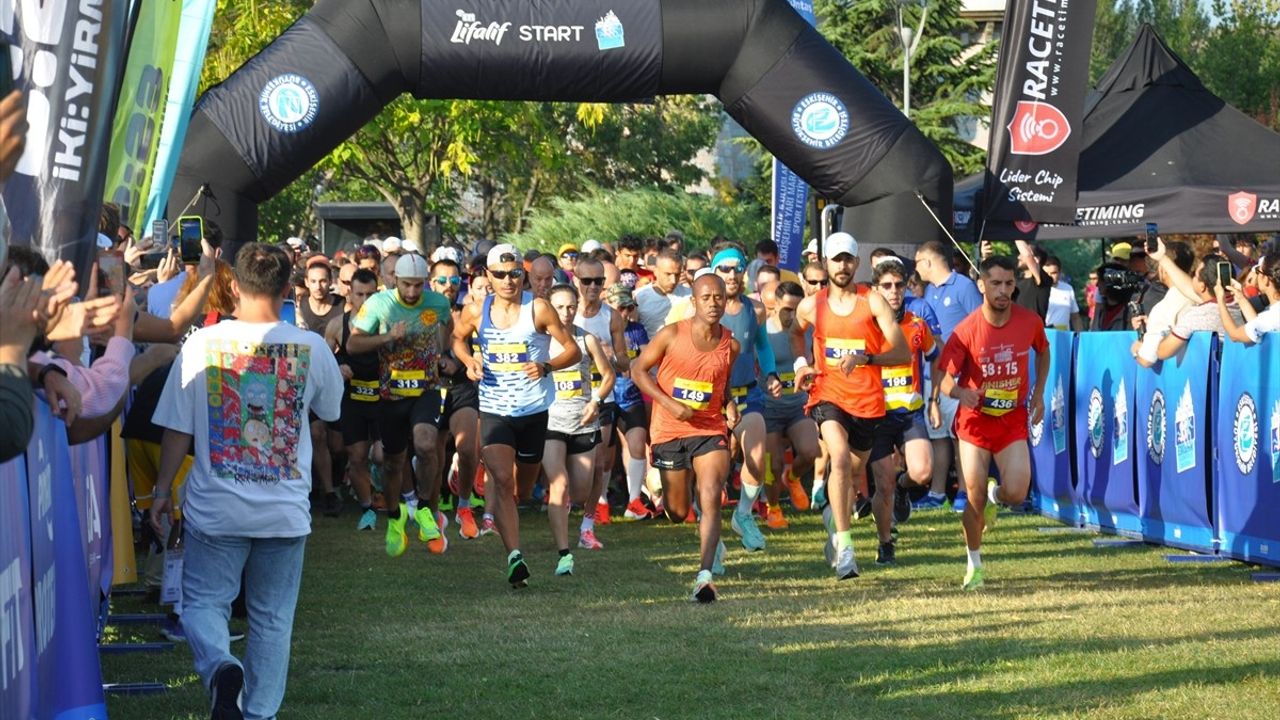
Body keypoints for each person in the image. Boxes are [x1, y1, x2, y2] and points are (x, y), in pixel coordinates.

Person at [149, 242, 343, 720]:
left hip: (215, 508)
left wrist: (160, 491)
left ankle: (221, 668)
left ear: (233, 285)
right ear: (287, 288)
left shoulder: (199, 343)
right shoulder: (312, 347)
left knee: (202, 605)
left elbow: (178, 426)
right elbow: (332, 411)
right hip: (283, 510)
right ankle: (258, 713)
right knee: (273, 620)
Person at [452, 244, 581, 587]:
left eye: (514, 274)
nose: (508, 281)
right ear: (487, 277)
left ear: (522, 276)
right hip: (494, 408)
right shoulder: (476, 310)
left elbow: (573, 350)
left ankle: (514, 516)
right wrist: (469, 362)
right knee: (503, 481)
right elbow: (457, 340)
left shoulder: (538, 308)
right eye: (500, 275)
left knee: (521, 488)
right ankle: (514, 557)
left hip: (533, 409)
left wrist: (546, 365)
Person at [793, 232, 907, 579]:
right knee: (838, 458)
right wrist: (801, 365)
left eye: (848, 259)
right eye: (836, 258)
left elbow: (902, 352)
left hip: (868, 402)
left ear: (857, 263)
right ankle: (846, 549)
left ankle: (833, 517)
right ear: (825, 262)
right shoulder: (812, 304)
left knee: (853, 475)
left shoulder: (872, 302)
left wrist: (866, 357)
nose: (842, 265)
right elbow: (796, 334)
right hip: (828, 395)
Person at [934, 255, 1048, 590]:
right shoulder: (966, 330)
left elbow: (1044, 352)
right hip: (975, 424)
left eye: (1009, 284)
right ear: (981, 285)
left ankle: (996, 498)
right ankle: (975, 564)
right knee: (972, 497)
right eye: (995, 283)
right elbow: (943, 377)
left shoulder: (1029, 322)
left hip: (1011, 420)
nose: (1003, 291)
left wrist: (1038, 395)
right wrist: (958, 392)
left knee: (1016, 492)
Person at [631, 272, 740, 602]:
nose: (712, 303)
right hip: (669, 429)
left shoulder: (730, 344)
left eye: (718, 297)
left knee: (710, 493)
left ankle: (704, 577)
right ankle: (659, 483)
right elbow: (638, 370)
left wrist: (730, 403)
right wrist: (668, 403)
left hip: (709, 429)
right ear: (693, 301)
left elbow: (720, 385)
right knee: (678, 512)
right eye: (705, 298)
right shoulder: (671, 335)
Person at [348, 253, 454, 556]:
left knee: (426, 444)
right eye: (406, 285)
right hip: (391, 394)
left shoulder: (438, 303)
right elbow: (354, 344)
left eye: (418, 286)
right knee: (394, 462)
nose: (411, 292)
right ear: (395, 280)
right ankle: (396, 517)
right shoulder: (380, 304)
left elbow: (445, 333)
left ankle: (422, 507)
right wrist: (386, 337)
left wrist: (442, 353)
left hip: (426, 389)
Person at [866, 260, 938, 564]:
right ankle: (885, 543)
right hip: (876, 416)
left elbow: (936, 355)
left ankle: (903, 491)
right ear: (875, 289)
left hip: (911, 414)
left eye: (899, 285)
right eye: (887, 286)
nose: (894, 292)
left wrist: (934, 397)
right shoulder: (866, 326)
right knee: (883, 484)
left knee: (923, 472)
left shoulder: (917, 324)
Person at [542, 284, 615, 575]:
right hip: (549, 422)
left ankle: (581, 521)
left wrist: (595, 401)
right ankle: (564, 554)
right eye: (559, 307)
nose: (566, 312)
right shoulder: (539, 340)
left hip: (583, 420)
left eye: (571, 306)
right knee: (558, 485)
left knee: (582, 490)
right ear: (548, 308)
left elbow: (608, 375)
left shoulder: (587, 340)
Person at [913, 240, 981, 511]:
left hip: (959, 377)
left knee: (959, 437)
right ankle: (938, 493)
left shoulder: (964, 286)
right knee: (939, 436)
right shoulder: (929, 291)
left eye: (918, 262)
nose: (916, 268)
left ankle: (965, 492)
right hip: (935, 378)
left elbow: (980, 326)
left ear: (929, 262)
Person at [573, 256, 631, 535]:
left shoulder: (612, 316)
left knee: (598, 463)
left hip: (602, 395)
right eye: (587, 281)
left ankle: (588, 523)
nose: (593, 286)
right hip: (566, 395)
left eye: (599, 281)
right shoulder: (565, 312)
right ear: (576, 281)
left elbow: (625, 362)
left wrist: (613, 356)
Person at [324, 268, 383, 531]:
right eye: (360, 294)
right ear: (350, 293)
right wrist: (337, 366)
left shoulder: (388, 324)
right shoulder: (338, 325)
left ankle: (400, 500)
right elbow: (323, 362)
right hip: (354, 399)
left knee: (383, 456)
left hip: (383, 399)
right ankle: (367, 508)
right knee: (356, 456)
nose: (365, 300)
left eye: (371, 294)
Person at [429, 257, 482, 540]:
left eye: (454, 280)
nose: (449, 286)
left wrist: (460, 364)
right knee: (434, 453)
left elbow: (479, 350)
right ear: (431, 283)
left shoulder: (467, 313)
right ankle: (436, 511)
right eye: (442, 280)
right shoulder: (422, 313)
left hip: (462, 387)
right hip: (433, 388)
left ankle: (463, 506)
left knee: (468, 449)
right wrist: (437, 363)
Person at [761, 282, 817, 529]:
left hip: (797, 404)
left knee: (811, 451)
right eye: (786, 310)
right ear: (774, 304)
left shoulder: (806, 330)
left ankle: (792, 477)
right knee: (771, 464)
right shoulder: (763, 332)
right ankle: (773, 508)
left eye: (796, 310)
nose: (792, 316)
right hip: (768, 408)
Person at [298, 255, 346, 516]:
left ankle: (335, 481)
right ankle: (328, 493)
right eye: (313, 281)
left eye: (323, 281)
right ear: (306, 282)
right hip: (306, 379)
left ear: (331, 282)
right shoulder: (298, 307)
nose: (318, 286)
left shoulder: (341, 306)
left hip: (336, 378)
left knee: (338, 445)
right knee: (317, 435)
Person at [604, 283, 656, 520]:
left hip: (632, 396)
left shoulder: (637, 330)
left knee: (637, 446)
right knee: (605, 453)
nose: (625, 313)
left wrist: (636, 366)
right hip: (605, 396)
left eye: (628, 308)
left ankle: (634, 501)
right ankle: (601, 503)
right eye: (620, 308)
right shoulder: (599, 328)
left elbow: (647, 357)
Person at [1217, 252, 1279, 343]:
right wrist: (1241, 297)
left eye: (1258, 271)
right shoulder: (1269, 318)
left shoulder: (1271, 318)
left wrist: (1220, 301)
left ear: (1266, 279)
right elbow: (1256, 323)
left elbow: (1234, 335)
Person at [634, 249, 690, 339]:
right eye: (668, 274)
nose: (673, 280)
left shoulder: (690, 296)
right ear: (656, 271)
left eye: (677, 274)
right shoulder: (639, 297)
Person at [1042, 255, 1083, 331]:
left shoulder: (1068, 289)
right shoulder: (1038, 290)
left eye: (1053, 273)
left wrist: (1079, 338)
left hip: (1064, 337)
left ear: (1060, 272)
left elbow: (1075, 317)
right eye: (1046, 273)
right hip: (1044, 336)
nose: (1049, 276)